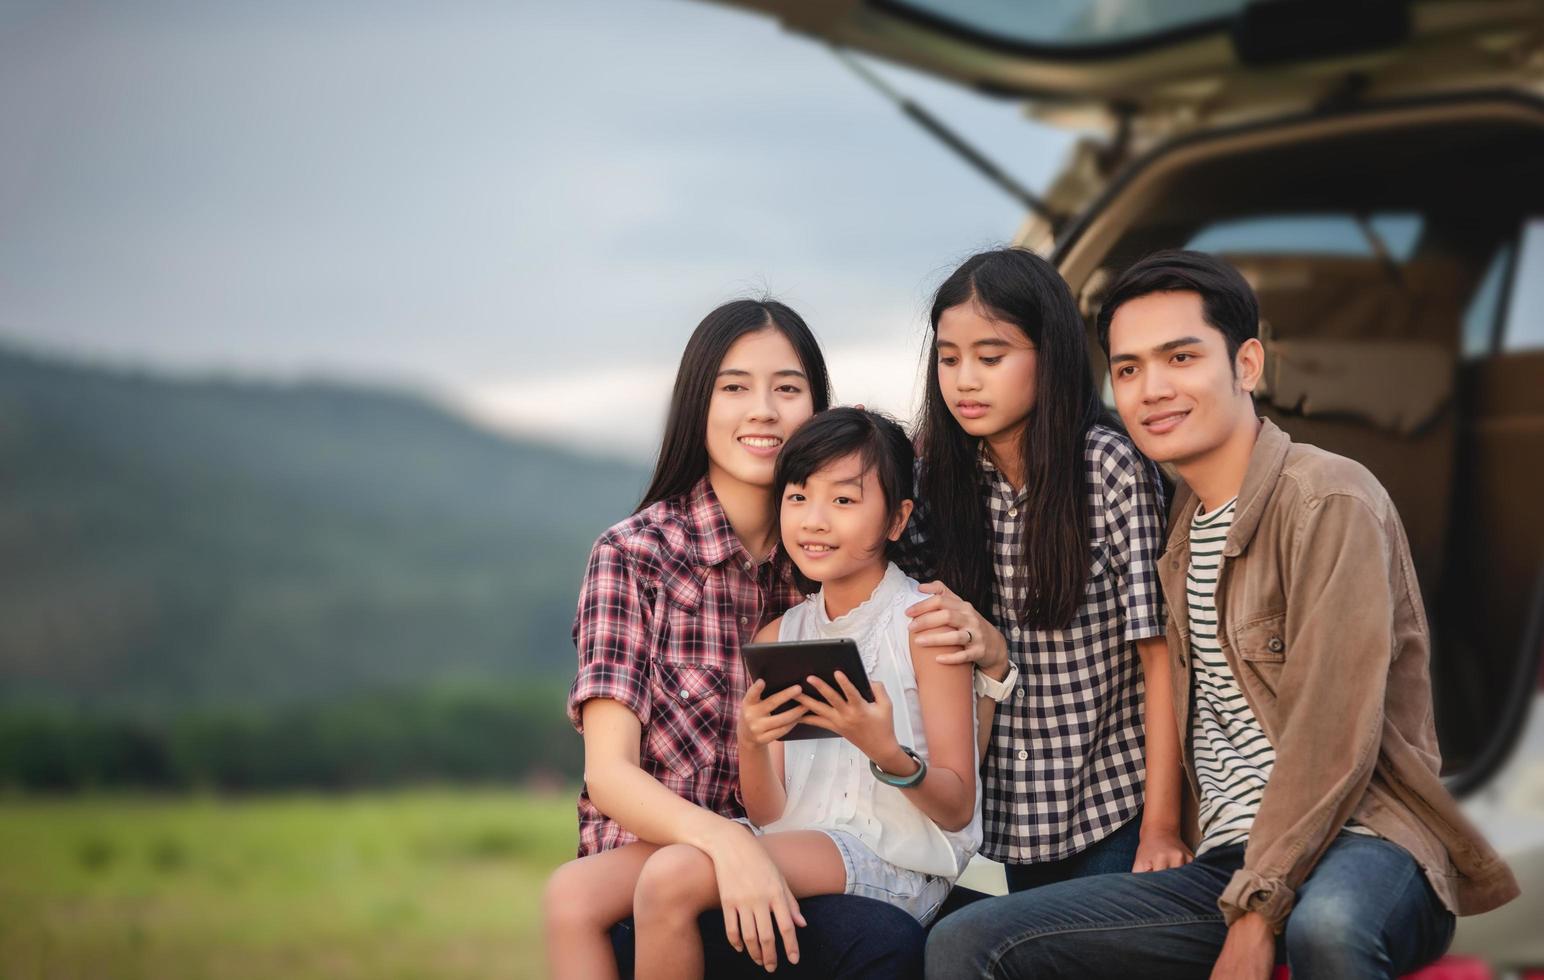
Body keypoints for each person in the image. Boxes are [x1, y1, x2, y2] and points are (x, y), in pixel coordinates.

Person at [925, 250, 1519, 979]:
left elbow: (1331, 736)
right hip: (1221, 862)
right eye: (1131, 368)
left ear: (1247, 364)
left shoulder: (1329, 499)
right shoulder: (1179, 532)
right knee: (960, 942)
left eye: (1181, 357)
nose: (1154, 389)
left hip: (1362, 838)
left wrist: (1258, 911)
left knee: (1327, 928)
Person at [543, 299, 924, 980]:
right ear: (699, 403)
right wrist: (729, 845)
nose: (763, 411)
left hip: (799, 849)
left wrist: (987, 642)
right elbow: (608, 774)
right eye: (735, 387)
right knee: (881, 940)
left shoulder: (830, 557)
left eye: (787, 388)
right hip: (654, 871)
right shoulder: (635, 555)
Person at [616, 406, 985, 979]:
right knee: (628, 879)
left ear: (896, 518)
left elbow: (959, 806)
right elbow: (770, 811)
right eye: (798, 496)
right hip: (801, 845)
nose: (814, 521)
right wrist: (750, 739)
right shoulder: (780, 636)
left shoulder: (925, 627)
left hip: (895, 859)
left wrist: (884, 751)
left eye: (843, 500)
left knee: (670, 879)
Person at [899, 247, 1187, 899]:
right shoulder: (935, 481)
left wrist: (1162, 827)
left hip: (1110, 814)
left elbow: (1160, 657)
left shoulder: (1109, 469)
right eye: (949, 358)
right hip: (981, 828)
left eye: (991, 357)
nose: (965, 379)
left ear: (1049, 355)